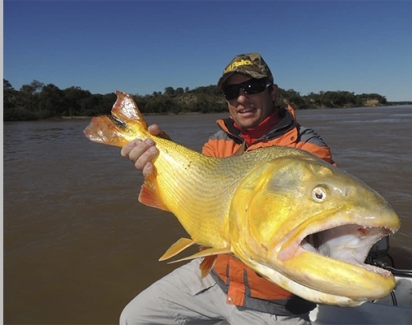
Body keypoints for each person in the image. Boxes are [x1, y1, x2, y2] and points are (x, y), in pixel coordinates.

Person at [119, 53, 336, 325]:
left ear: (273, 92)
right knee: (136, 317)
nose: (241, 98)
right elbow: (201, 193)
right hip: (215, 276)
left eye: (252, 88)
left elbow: (306, 225)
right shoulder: (218, 141)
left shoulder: (307, 148)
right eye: (232, 92)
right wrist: (162, 155)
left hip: (272, 300)